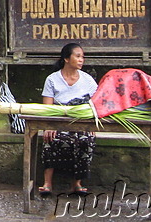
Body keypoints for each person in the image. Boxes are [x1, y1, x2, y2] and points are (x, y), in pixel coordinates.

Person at [38, 42, 97, 196]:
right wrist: (49, 126)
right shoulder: (52, 79)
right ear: (66, 58)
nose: (81, 60)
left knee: (85, 140)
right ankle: (47, 183)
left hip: (81, 123)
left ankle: (77, 183)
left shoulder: (88, 80)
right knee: (51, 138)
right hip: (58, 123)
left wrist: (91, 127)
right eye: (77, 56)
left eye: (82, 57)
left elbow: (95, 106)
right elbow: (48, 109)